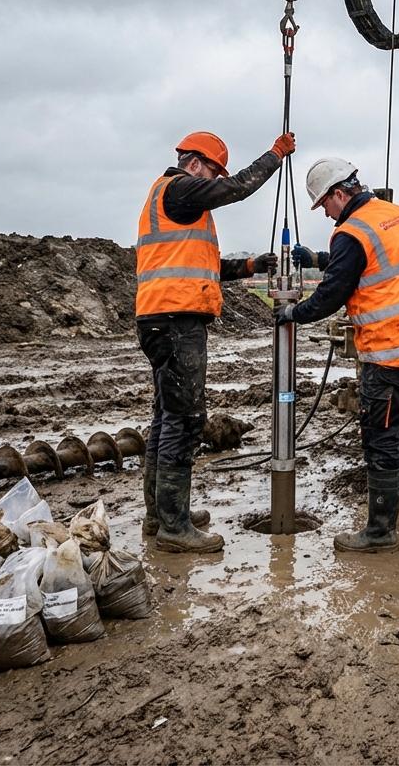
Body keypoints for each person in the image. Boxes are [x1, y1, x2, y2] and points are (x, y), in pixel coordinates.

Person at [282, 157, 399, 553]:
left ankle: (380, 532)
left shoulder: (350, 233)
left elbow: (330, 296)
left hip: (391, 353)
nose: (326, 214)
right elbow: (377, 261)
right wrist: (318, 260)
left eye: (324, 204)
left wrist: (292, 312)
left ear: (340, 194)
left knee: (381, 439)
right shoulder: (397, 215)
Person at [136, 129, 295, 553]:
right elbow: (237, 187)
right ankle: (174, 526)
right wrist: (274, 156)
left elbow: (201, 266)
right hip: (176, 321)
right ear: (194, 164)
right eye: (211, 171)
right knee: (185, 419)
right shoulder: (181, 189)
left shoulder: (169, 202)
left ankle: (162, 513)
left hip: (162, 318)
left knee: (166, 415)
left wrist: (248, 266)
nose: (212, 180)